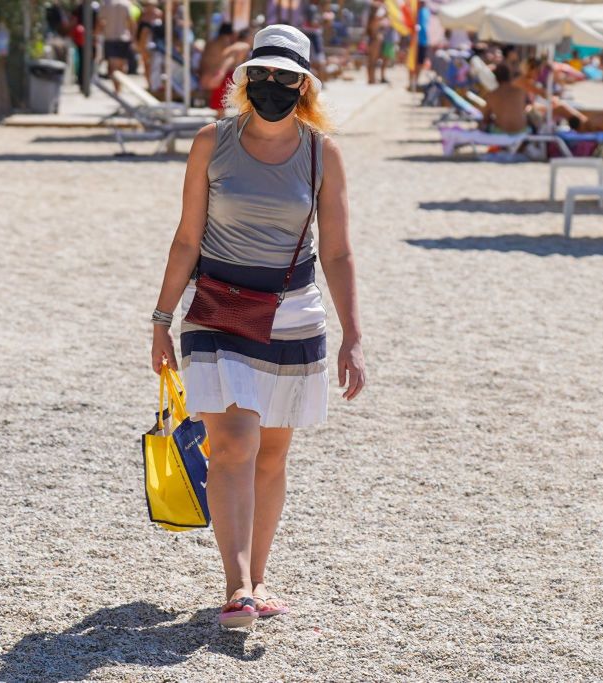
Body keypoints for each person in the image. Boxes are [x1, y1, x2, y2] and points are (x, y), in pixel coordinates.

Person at [149, 24, 365, 629]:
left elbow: (339, 253)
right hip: (216, 311)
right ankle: (237, 586)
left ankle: (259, 579)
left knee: (271, 454)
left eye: (285, 76)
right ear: (244, 80)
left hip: (294, 314)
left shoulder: (323, 153)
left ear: (304, 85)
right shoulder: (210, 142)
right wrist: (161, 321)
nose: (272, 85)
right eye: (262, 74)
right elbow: (187, 238)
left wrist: (355, 335)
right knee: (234, 444)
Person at [481, 64, 529, 134]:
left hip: (501, 133)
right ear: (510, 76)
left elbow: (486, 118)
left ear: (495, 78)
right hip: (521, 132)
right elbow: (524, 108)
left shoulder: (492, 95)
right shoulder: (520, 91)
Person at [100, 0, 136, 92]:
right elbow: (131, 21)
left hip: (110, 37)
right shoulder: (126, 3)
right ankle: (119, 88)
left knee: (113, 66)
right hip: (123, 37)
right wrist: (133, 37)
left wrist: (97, 34)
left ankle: (117, 89)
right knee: (121, 65)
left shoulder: (106, 3)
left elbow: (101, 21)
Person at [410, 0, 430, 92]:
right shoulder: (416, 11)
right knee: (415, 63)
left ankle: (415, 82)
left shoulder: (425, 11)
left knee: (419, 63)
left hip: (423, 42)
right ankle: (412, 82)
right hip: (417, 42)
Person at [365, 0, 384, 85]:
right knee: (372, 61)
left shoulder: (371, 19)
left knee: (371, 61)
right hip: (374, 40)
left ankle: (371, 78)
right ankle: (371, 78)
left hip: (372, 40)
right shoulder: (375, 19)